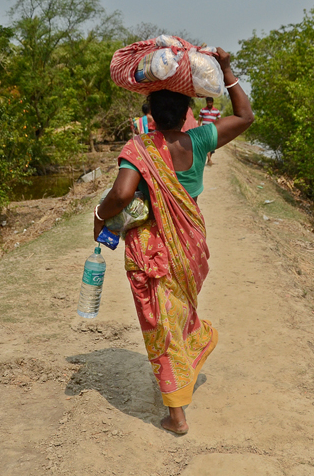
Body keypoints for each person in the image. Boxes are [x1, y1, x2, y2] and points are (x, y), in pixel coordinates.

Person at [94, 48, 253, 435]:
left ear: (149, 112)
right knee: (176, 310)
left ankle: (176, 414)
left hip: (152, 249)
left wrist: (99, 216)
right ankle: (194, 346)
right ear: (187, 112)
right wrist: (227, 68)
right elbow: (245, 116)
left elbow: (121, 194)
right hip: (189, 241)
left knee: (159, 321)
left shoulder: (138, 149)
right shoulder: (199, 140)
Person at [198, 97, 222, 165]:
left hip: (212, 130)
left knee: (212, 146)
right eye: (208, 102)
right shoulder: (203, 110)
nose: (209, 104)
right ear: (206, 102)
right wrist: (198, 128)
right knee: (207, 144)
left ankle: (208, 159)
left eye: (210, 102)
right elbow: (199, 120)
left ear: (212, 102)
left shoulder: (216, 111)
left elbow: (220, 120)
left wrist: (218, 129)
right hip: (204, 130)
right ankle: (209, 159)